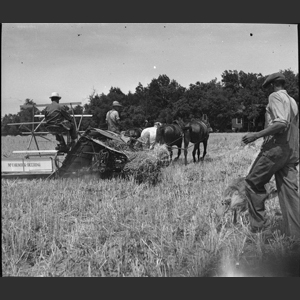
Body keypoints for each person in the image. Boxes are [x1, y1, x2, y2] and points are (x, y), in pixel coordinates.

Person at [242, 72, 299, 241]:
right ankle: (296, 236)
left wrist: (256, 135)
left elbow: (281, 123)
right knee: (290, 192)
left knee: (252, 182)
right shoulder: (293, 101)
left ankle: (260, 228)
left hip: (276, 150)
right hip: (291, 151)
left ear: (273, 85)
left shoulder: (274, 96)